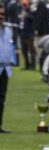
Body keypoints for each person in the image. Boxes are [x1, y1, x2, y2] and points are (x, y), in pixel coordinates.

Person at [0, 3, 16, 133]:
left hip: (5, 69)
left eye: (3, 14)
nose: (1, 17)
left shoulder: (8, 30)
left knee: (1, 98)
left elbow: (10, 47)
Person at [18, 0, 33, 70]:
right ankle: (26, 65)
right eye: (23, 5)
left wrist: (27, 16)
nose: (24, 6)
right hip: (22, 33)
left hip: (29, 34)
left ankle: (32, 65)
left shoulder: (31, 11)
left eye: (25, 5)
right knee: (24, 51)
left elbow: (33, 19)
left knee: (31, 50)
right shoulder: (21, 11)